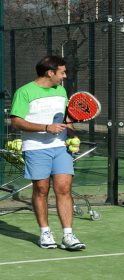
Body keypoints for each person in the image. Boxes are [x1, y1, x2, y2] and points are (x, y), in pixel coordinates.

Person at [10, 55, 86, 250]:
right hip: (36, 149)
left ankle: (68, 235)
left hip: (60, 149)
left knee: (64, 188)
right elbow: (16, 122)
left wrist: (72, 134)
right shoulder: (24, 92)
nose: (65, 76)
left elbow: (67, 119)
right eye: (62, 72)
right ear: (50, 72)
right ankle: (45, 233)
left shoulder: (61, 91)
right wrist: (46, 127)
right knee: (42, 190)